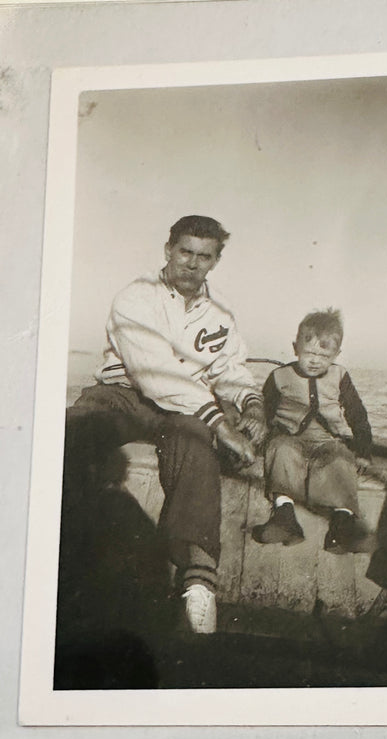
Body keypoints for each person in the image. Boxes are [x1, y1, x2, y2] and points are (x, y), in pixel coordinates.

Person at [63, 215, 266, 634]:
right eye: (185, 252)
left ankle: (199, 585)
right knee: (74, 435)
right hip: (123, 393)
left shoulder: (222, 312)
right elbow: (153, 372)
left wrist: (252, 404)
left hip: (182, 406)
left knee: (197, 442)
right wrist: (220, 421)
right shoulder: (135, 297)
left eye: (203, 257)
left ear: (215, 261)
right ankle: (57, 562)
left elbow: (230, 369)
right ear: (168, 250)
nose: (192, 264)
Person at [252, 308, 372, 554]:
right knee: (281, 451)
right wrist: (257, 440)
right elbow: (264, 412)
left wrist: (363, 451)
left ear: (336, 354)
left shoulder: (340, 376)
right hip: (289, 437)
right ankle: (284, 517)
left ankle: (342, 525)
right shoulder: (279, 376)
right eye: (309, 353)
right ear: (295, 347)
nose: (315, 360)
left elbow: (357, 415)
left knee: (340, 460)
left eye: (324, 355)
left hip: (327, 441)